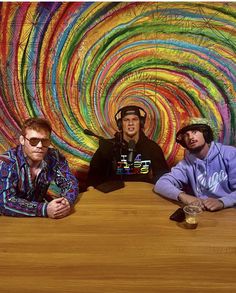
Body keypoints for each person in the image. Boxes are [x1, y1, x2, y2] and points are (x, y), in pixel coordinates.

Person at [0, 117, 79, 218]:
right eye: (34, 141)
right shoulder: (7, 163)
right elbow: (4, 203)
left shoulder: (53, 157)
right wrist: (44, 209)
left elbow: (70, 182)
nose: (40, 146)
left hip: (36, 219)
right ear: (22, 140)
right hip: (7, 221)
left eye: (45, 141)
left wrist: (66, 202)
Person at [154, 117, 236, 211]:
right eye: (186, 135)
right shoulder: (186, 164)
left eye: (194, 132)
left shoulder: (230, 154)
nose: (190, 137)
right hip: (203, 213)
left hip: (229, 212)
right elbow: (161, 183)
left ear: (205, 134)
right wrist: (183, 196)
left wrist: (222, 202)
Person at [86, 105, 169, 188]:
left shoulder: (152, 147)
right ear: (120, 124)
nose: (130, 123)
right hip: (114, 195)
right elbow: (94, 176)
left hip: (143, 195)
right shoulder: (108, 146)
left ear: (141, 122)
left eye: (135, 119)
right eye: (126, 120)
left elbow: (162, 175)